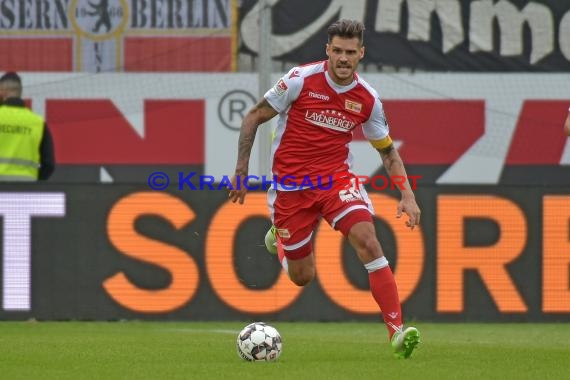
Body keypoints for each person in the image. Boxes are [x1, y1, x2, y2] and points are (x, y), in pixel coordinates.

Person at [228, 19, 421, 359]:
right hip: (291, 186)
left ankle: (396, 331)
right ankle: (280, 235)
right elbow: (254, 116)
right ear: (327, 51)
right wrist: (241, 168)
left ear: (361, 54)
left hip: (335, 180)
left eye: (350, 52)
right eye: (337, 51)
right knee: (302, 277)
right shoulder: (300, 81)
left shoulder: (367, 99)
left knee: (368, 240)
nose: (343, 58)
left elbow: (387, 150)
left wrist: (407, 195)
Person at [0, 72, 55, 181]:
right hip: (26, 189)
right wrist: (34, 180)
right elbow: (48, 164)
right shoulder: (38, 123)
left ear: (2, 91)